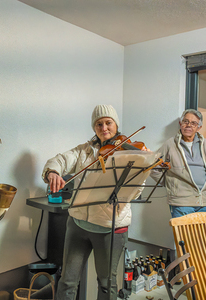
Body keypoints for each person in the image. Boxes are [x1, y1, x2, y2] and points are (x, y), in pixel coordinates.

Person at [42, 104, 146, 300]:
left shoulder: (129, 152)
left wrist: (144, 165)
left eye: (108, 123)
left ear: (116, 124)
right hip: (78, 224)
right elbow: (60, 160)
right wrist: (53, 172)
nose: (104, 128)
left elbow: (136, 192)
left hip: (110, 228)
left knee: (107, 284)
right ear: (94, 127)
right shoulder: (85, 151)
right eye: (99, 124)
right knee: (67, 281)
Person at [150, 108, 206, 218]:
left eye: (193, 123)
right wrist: (169, 184)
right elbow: (152, 165)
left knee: (202, 235)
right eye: (186, 121)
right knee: (184, 235)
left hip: (204, 201)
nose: (188, 125)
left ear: (199, 127)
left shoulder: (204, 144)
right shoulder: (170, 144)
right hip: (181, 202)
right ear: (180, 123)